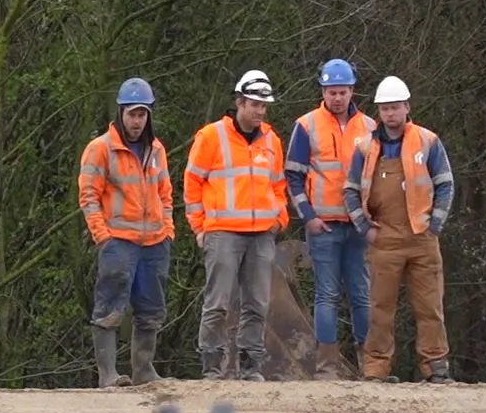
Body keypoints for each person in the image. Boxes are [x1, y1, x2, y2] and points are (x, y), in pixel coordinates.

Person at [343, 75, 456, 384]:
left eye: (395, 107)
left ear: (407, 107)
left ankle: (436, 367)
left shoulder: (427, 141)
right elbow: (350, 190)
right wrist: (364, 227)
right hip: (384, 239)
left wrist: (435, 224)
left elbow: (445, 184)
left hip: (422, 237)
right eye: (385, 108)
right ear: (379, 112)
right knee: (380, 308)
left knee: (430, 306)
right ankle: (375, 370)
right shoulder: (366, 147)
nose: (390, 113)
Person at [185, 70, 289, 382]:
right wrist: (199, 227)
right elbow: (192, 182)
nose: (260, 111)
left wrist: (279, 219)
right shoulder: (211, 137)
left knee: (257, 304)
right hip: (223, 232)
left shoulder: (271, 140)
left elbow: (278, 184)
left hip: (261, 234)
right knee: (217, 303)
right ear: (239, 102)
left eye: (264, 106)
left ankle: (250, 366)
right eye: (255, 104)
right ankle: (212, 366)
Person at [79, 77, 175, 387]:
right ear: (120, 112)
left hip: (155, 242)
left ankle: (143, 369)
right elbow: (88, 197)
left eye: (142, 114)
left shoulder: (156, 149)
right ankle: (108, 374)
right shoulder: (100, 149)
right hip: (118, 241)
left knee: (151, 309)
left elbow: (165, 193)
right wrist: (102, 236)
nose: (137, 121)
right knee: (109, 307)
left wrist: (168, 229)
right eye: (132, 113)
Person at [286, 58, 376, 380]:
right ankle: (326, 367)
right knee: (326, 296)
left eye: (342, 91)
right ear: (323, 91)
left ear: (352, 91)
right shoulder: (307, 125)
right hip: (323, 225)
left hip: (359, 226)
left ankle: (371, 365)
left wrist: (372, 220)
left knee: (362, 294)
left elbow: (378, 177)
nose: (337, 98)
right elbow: (293, 176)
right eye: (331, 92)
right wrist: (308, 216)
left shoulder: (369, 127)